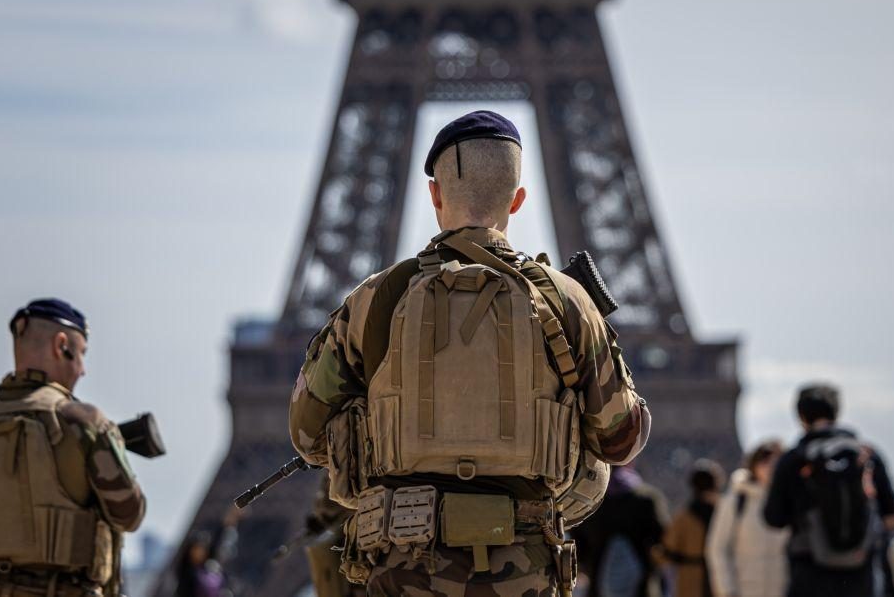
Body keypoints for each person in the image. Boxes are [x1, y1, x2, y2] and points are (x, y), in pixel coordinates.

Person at [288, 110, 651, 596]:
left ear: (435, 195)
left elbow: (307, 433)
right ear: (518, 200)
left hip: (403, 567)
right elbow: (619, 440)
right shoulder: (567, 302)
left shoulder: (377, 299)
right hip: (523, 569)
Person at [0, 298, 146, 597]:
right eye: (81, 354)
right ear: (61, 345)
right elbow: (130, 514)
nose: (83, 370)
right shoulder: (81, 422)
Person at [763, 384, 894, 597]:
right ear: (837, 412)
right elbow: (891, 515)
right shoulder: (866, 456)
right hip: (860, 570)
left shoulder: (793, 460)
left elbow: (773, 517)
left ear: (801, 416)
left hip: (809, 570)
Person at [572, 464, 671, 597]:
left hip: (599, 586)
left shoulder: (588, 503)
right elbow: (665, 541)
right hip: (642, 588)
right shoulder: (647, 499)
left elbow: (578, 547)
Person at [705, 440, 788, 597]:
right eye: (765, 462)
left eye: (776, 462)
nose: (771, 467)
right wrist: (726, 590)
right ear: (754, 465)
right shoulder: (736, 501)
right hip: (744, 591)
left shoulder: (791, 501)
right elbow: (718, 548)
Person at [657, 459, 725, 597]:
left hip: (691, 580)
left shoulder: (684, 517)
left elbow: (667, 552)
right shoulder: (726, 514)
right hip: (721, 576)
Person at [175, 506, 239, 597]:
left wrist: (228, 522)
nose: (199, 552)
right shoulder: (186, 572)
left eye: (202, 549)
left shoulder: (205, 568)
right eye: (196, 549)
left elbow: (216, 543)